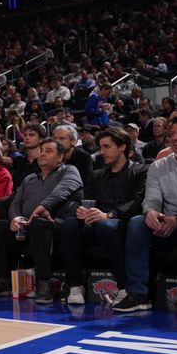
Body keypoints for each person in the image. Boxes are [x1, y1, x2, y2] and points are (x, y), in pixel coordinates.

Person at [113, 116, 177, 317]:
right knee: (137, 223)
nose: (175, 138)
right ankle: (137, 294)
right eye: (172, 134)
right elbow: (152, 198)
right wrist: (151, 212)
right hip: (164, 222)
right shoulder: (158, 166)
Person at [0, 138, 83, 302]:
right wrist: (15, 218)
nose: (42, 153)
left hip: (52, 226)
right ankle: (4, 280)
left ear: (60, 157)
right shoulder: (30, 178)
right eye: (41, 150)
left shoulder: (68, 171)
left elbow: (65, 188)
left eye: (48, 151)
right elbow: (15, 203)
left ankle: (44, 283)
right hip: (25, 227)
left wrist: (44, 205)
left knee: (38, 223)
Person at [60, 128, 147, 305]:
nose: (102, 152)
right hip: (97, 219)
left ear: (122, 147)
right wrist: (82, 210)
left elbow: (136, 202)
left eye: (107, 147)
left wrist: (109, 215)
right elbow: (86, 199)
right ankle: (75, 285)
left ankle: (123, 287)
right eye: (101, 147)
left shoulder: (140, 171)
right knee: (69, 224)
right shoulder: (97, 175)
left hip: (123, 221)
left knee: (105, 225)